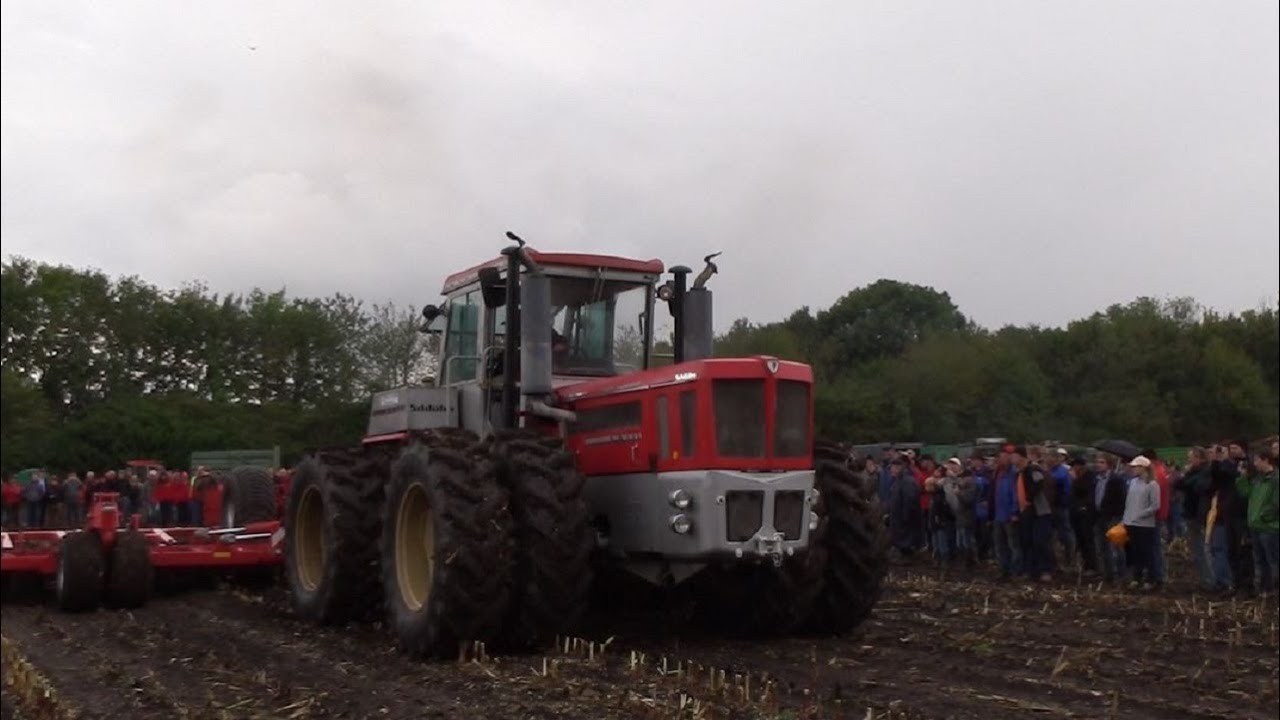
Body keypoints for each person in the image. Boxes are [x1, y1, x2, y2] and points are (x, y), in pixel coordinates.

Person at [1237, 450, 1279, 595]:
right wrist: (1242, 478)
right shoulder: (1258, 479)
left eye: (1256, 460)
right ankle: (1266, 589)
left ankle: (1273, 587)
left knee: (1273, 560)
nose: (1254, 464)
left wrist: (1264, 516)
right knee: (1261, 561)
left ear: (1266, 460)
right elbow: (1245, 493)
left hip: (1268, 527)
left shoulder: (1275, 480)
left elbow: (1276, 503)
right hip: (1255, 526)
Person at [1176, 448, 1215, 590]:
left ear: (1200, 458)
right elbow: (1179, 484)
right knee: (1197, 550)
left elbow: (1195, 486)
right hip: (1191, 513)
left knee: (1202, 550)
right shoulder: (1193, 473)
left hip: (1198, 514)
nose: (1189, 460)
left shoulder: (1204, 472)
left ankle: (1210, 581)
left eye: (1191, 457)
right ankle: (1205, 580)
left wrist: (1187, 477)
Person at [1016, 446, 1055, 582]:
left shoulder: (1033, 469)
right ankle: (1031, 569)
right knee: (1028, 540)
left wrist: (1029, 498)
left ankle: (1045, 569)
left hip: (1040, 510)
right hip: (1027, 511)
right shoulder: (1021, 472)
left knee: (1040, 541)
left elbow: (1039, 483)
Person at [1122, 456, 1161, 590]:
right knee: (1135, 552)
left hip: (1145, 524)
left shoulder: (1152, 484)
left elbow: (1155, 505)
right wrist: (1126, 518)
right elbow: (1128, 503)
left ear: (1144, 468)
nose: (1133, 469)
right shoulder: (1132, 483)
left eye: (1135, 467)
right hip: (1130, 522)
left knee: (1146, 552)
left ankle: (1150, 579)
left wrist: (1140, 515)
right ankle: (1136, 577)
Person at [1093, 454, 1128, 582]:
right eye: (1097, 462)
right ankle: (1107, 573)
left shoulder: (1116, 480)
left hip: (1112, 517)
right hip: (1100, 516)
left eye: (1101, 462)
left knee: (1115, 546)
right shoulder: (1097, 479)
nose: (1098, 464)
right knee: (1101, 546)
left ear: (1108, 465)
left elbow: (1122, 499)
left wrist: (1117, 515)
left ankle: (1120, 573)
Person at [992, 447, 1023, 580]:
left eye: (1004, 456)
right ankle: (1003, 569)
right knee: (1000, 544)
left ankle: (1015, 570)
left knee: (1013, 544)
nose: (1001, 459)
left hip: (1010, 514)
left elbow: (1016, 494)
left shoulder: (1014, 473)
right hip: (999, 514)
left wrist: (1015, 511)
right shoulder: (998, 473)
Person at [887, 457, 922, 559]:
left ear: (899, 468)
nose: (891, 471)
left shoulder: (907, 482)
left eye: (892, 468)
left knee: (907, 541)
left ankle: (909, 556)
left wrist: (905, 516)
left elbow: (909, 501)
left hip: (905, 520)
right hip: (897, 518)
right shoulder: (897, 481)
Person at [1068, 457, 1097, 575]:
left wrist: (1075, 480)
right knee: (1081, 540)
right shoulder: (1079, 477)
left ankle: (1092, 566)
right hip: (1076, 512)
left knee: (1087, 540)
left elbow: (1085, 491)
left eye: (1075, 466)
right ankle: (1085, 564)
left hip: (1085, 513)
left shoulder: (1089, 477)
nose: (1073, 468)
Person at [1050, 448, 1076, 564]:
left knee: (1065, 532)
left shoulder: (1062, 472)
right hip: (1052, 506)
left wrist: (1064, 503)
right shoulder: (1051, 471)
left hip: (1060, 506)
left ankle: (1070, 555)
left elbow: (1067, 489)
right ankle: (1057, 557)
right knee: (1053, 533)